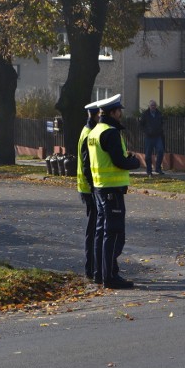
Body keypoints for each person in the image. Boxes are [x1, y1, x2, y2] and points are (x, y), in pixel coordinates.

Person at [88, 94, 141, 289]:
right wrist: (135, 161)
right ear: (113, 112)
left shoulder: (95, 131)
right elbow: (119, 161)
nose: (121, 115)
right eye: (119, 111)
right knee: (115, 234)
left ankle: (99, 274)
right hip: (112, 191)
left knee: (101, 232)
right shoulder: (110, 132)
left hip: (100, 188)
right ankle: (110, 276)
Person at [78, 101, 101, 283]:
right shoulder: (89, 134)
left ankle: (92, 267)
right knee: (93, 230)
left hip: (86, 187)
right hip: (89, 188)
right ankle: (91, 268)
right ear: (95, 115)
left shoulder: (86, 131)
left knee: (93, 228)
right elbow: (87, 165)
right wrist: (94, 186)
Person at [139, 99, 164, 175]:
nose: (153, 107)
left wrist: (160, 130)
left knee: (160, 151)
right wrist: (146, 131)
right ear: (149, 106)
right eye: (151, 105)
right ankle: (149, 170)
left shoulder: (159, 114)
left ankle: (158, 168)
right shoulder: (145, 114)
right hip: (149, 137)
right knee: (148, 155)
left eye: (154, 105)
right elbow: (141, 124)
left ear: (156, 106)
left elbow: (162, 123)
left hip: (157, 136)